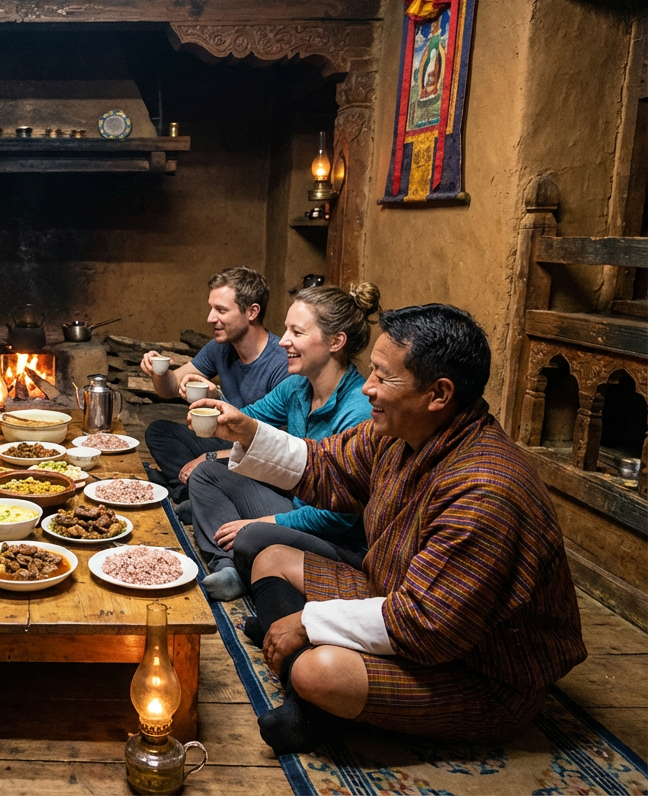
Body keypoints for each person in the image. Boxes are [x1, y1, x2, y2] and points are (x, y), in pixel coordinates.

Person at [194, 304, 586, 754]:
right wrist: (246, 431)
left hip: (479, 672)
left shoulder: (485, 489)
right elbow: (327, 466)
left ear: (438, 393)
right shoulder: (402, 433)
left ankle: (311, 702)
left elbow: (425, 624)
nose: (368, 387)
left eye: (383, 377)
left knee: (317, 671)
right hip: (395, 598)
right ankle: (307, 681)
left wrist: (307, 622)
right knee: (270, 557)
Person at [188, 283, 380, 602]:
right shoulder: (297, 387)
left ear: (336, 341)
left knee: (251, 534)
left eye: (297, 332)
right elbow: (248, 419)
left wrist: (263, 521)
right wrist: (213, 406)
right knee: (206, 474)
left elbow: (338, 517)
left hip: (337, 538)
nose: (284, 341)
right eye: (286, 329)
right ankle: (232, 565)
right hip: (295, 504)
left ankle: (239, 554)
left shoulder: (357, 411)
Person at [140, 267, 290, 503]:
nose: (210, 318)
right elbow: (169, 389)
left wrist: (210, 456)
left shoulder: (282, 362)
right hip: (226, 439)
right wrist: (158, 370)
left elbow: (277, 446)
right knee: (159, 431)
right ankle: (196, 494)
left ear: (252, 312)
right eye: (211, 308)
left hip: (259, 453)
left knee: (211, 467)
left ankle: (193, 495)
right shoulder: (220, 346)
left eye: (221, 310)